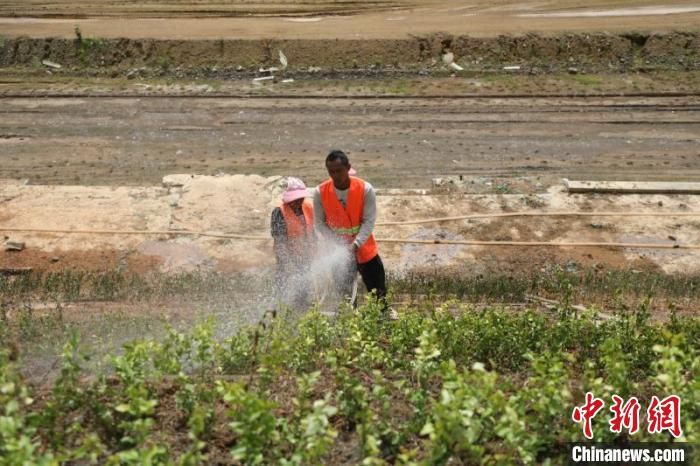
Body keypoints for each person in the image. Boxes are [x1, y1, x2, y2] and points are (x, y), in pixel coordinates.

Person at [313, 150, 388, 309]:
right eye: (331, 171)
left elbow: (369, 221)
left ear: (348, 168)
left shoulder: (365, 189)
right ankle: (351, 318)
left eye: (339, 171)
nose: (335, 175)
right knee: (346, 295)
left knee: (378, 291)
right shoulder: (320, 192)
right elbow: (319, 223)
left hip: (364, 249)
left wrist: (355, 244)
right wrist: (338, 244)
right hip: (338, 250)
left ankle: (382, 315)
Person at [270, 177, 314, 307]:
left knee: (303, 294)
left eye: (301, 198)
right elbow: (280, 242)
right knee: (282, 292)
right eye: (295, 199)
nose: (299, 201)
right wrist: (288, 264)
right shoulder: (279, 213)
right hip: (287, 259)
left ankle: (301, 313)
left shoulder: (308, 207)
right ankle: (279, 313)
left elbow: (312, 231)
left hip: (305, 258)